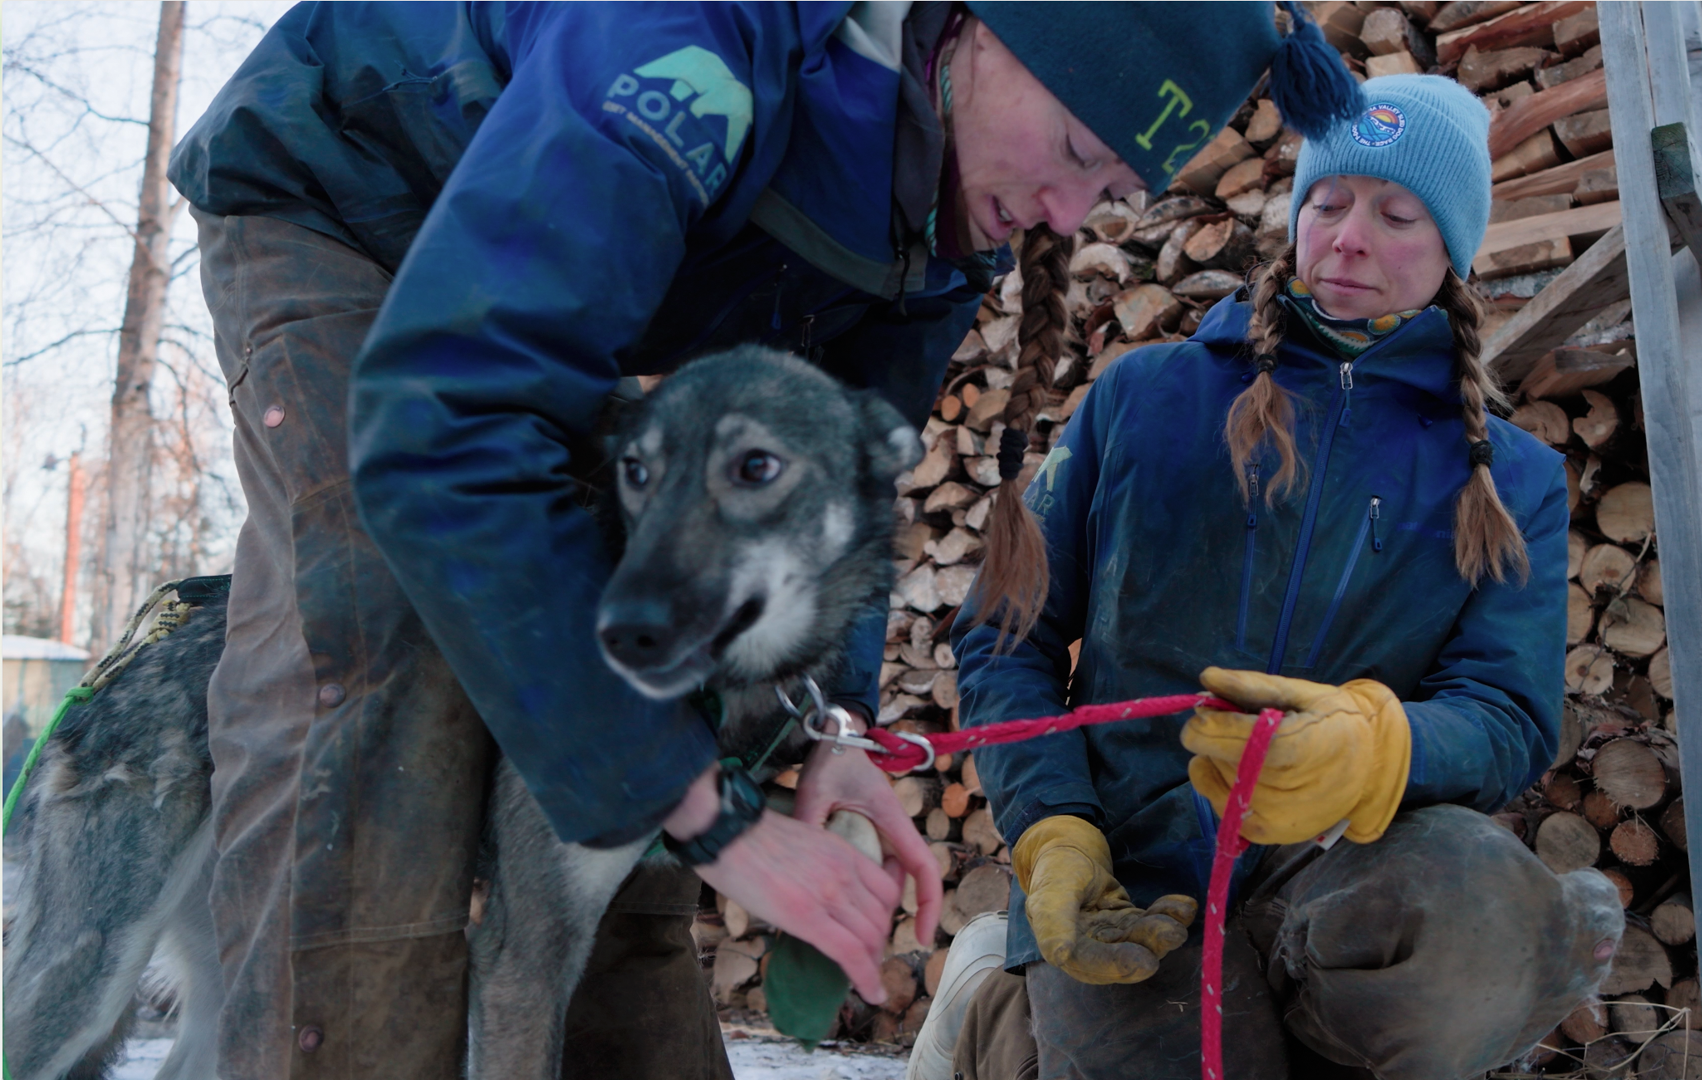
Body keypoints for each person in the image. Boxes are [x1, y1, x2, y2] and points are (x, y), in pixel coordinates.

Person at [165, 2, 1361, 1075]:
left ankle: (611, 1003)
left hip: (557, 277)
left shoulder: (946, 216)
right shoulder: (687, 40)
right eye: (1075, 150)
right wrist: (709, 815)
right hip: (355, 197)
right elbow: (452, 421)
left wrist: (830, 725)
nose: (1062, 213)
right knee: (383, 636)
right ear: (984, 27)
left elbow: (833, 490)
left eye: (1106, 193)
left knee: (666, 632)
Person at [948, 74, 1626, 1080]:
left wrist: (1382, 748)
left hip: (1351, 864)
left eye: (1398, 215)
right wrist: (1054, 826)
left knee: (1481, 922)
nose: (1348, 238)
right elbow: (1006, 633)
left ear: (1453, 249)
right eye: (1328, 202)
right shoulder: (1145, 397)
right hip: (1131, 861)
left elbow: (1509, 714)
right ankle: (998, 1021)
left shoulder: (1511, 478)